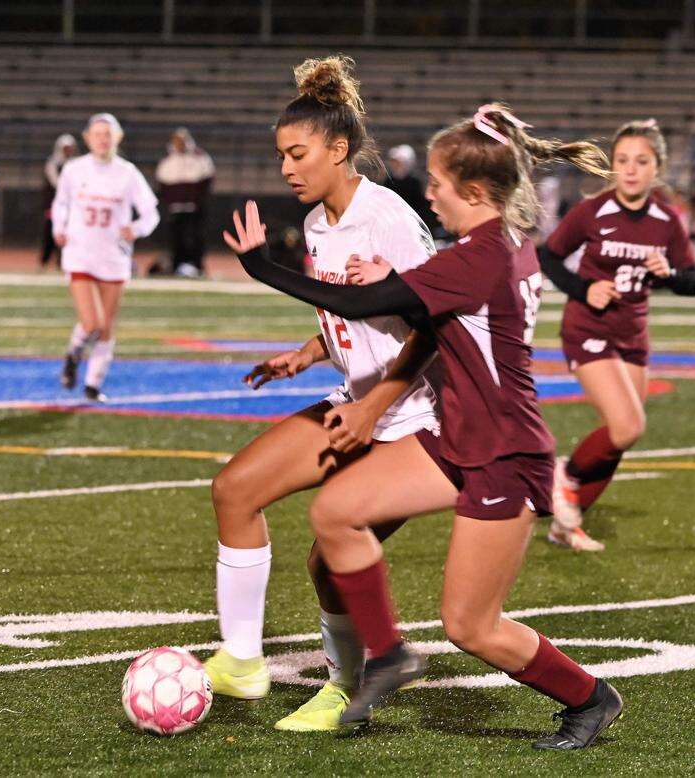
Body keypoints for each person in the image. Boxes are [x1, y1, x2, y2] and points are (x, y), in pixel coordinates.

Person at [225, 104, 624, 750]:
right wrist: (386, 289)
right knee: (335, 515)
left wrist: (261, 266)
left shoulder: (478, 259)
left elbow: (361, 304)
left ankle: (589, 696)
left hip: (504, 453)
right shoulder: (493, 248)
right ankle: (387, 657)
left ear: (472, 191)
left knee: (471, 626)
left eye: (436, 184)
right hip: (456, 436)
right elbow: (412, 304)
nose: (427, 194)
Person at [203, 56, 440, 733]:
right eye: (281, 155)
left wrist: (372, 408)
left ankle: (344, 691)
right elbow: (350, 311)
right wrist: (308, 352)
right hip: (354, 400)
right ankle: (244, 660)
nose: (286, 168)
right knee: (234, 490)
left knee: (330, 557)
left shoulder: (389, 218)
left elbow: (433, 329)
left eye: (297, 153)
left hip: (414, 419)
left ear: (339, 150)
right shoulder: (314, 225)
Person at [539, 119, 695, 551]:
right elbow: (549, 256)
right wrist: (583, 288)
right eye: (623, 160)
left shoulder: (667, 220)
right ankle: (566, 476)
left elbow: (693, 281)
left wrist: (668, 275)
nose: (630, 169)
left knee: (619, 434)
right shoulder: (593, 210)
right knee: (628, 425)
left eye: (641, 161)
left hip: (633, 335)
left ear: (657, 168)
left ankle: (565, 523)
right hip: (588, 329)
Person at [51, 113, 159, 402]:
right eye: (97, 134)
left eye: (107, 134)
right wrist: (58, 228)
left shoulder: (127, 172)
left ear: (117, 138)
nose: (102, 139)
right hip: (80, 254)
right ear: (87, 138)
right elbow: (60, 203)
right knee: (91, 323)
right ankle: (74, 354)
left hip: (113, 257)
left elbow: (151, 212)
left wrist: (135, 229)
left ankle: (93, 384)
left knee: (106, 326)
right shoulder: (73, 170)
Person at [155, 127, 214, 277]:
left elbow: (207, 180)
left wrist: (197, 200)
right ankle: (177, 266)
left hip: (195, 207)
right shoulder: (167, 161)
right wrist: (171, 202)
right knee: (176, 239)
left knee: (196, 238)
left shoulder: (200, 157)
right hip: (175, 208)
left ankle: (197, 267)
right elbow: (162, 185)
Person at [40, 134, 78, 269]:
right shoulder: (53, 163)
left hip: (72, 205)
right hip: (54, 203)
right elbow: (56, 183)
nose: (68, 151)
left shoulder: (75, 164)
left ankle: (62, 261)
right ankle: (44, 261)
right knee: (50, 231)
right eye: (65, 148)